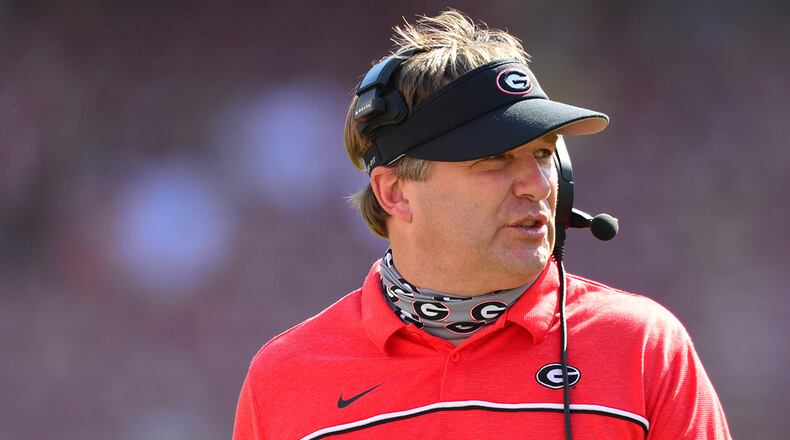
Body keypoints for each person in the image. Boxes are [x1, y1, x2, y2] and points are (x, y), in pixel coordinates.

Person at [232, 10, 731, 440]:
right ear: (395, 192)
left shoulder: (643, 345)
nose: (537, 184)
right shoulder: (284, 376)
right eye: (494, 159)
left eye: (542, 154)